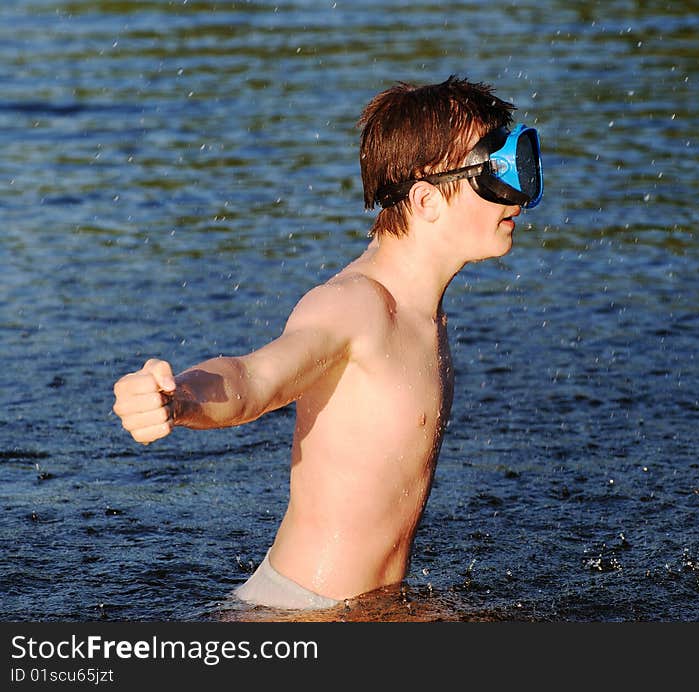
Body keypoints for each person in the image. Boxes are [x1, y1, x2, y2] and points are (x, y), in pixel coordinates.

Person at [112, 75, 543, 611]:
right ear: (428, 200)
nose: (518, 195)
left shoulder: (423, 313)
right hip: (299, 613)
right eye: (493, 175)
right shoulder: (357, 305)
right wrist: (177, 398)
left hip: (371, 607)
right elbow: (254, 379)